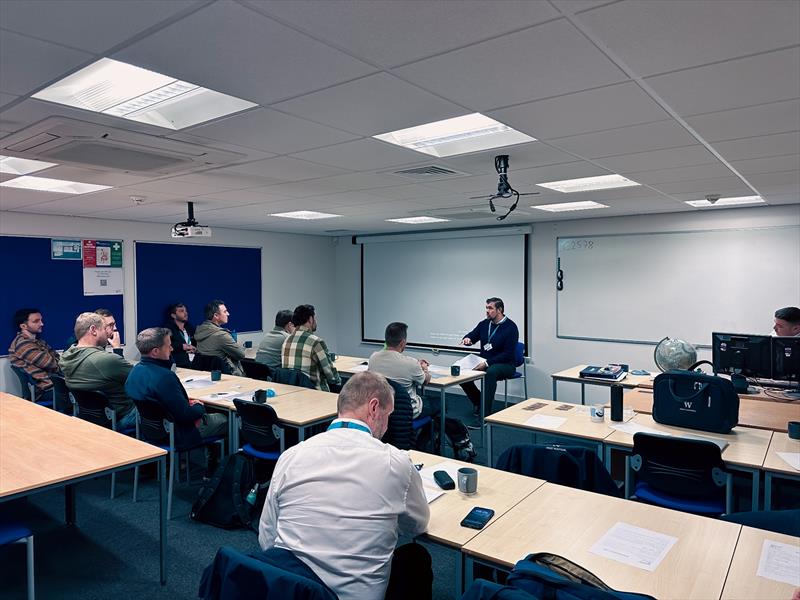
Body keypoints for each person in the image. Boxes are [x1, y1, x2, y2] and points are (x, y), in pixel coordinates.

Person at [258, 371, 431, 600]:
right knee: (416, 556)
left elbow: (267, 538)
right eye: (388, 415)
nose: (387, 426)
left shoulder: (291, 456)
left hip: (291, 590)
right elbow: (417, 526)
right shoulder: (395, 462)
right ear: (374, 408)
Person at [125, 327, 227, 473]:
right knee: (227, 420)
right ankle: (218, 471)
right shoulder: (165, 377)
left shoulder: (135, 371)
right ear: (155, 351)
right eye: (168, 345)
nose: (172, 349)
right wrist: (200, 406)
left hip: (151, 430)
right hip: (178, 432)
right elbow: (185, 415)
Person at [60, 312, 137, 429]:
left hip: (92, 418)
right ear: (93, 330)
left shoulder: (66, 357)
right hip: (122, 417)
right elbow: (140, 379)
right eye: (104, 329)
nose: (108, 333)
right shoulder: (106, 360)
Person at [460, 297, 519, 420]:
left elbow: (508, 354)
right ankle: (479, 403)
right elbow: (472, 335)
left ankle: (484, 416)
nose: (487, 311)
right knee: (461, 371)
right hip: (484, 361)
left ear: (499, 310)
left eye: (490, 308)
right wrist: (468, 339)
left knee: (491, 372)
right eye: (486, 308)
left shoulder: (511, 327)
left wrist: (487, 363)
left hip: (506, 364)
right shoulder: (484, 324)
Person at [368, 321, 432, 419]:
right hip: (409, 411)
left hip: (382, 408)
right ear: (402, 342)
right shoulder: (411, 363)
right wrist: (424, 369)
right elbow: (426, 381)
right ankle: (428, 432)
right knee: (441, 403)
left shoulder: (373, 358)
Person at [282, 304, 341, 392]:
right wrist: (340, 382)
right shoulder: (315, 342)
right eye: (315, 318)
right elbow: (330, 374)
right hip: (315, 392)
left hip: (291, 392)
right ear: (310, 319)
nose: (316, 321)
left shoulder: (287, 340)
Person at [8, 308, 61, 401]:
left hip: (54, 385)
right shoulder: (23, 345)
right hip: (45, 390)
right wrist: (59, 363)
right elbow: (51, 364)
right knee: (85, 394)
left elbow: (56, 357)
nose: (41, 324)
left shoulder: (38, 341)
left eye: (41, 320)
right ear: (23, 326)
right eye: (36, 321)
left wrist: (58, 362)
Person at [195, 299, 245, 376]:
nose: (228, 314)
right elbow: (241, 355)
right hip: (229, 376)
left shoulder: (200, 331)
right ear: (216, 315)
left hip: (208, 376)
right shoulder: (221, 335)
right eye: (225, 312)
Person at [165, 302, 196, 368]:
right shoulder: (168, 328)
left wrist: (195, 348)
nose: (186, 313)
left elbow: (195, 342)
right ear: (173, 315)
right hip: (179, 361)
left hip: (193, 358)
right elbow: (166, 345)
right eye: (181, 311)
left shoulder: (189, 327)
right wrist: (182, 346)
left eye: (186, 311)